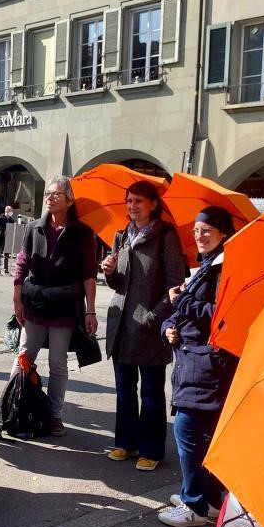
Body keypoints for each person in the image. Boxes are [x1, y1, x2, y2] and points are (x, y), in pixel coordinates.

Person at [158, 205, 238, 527]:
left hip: (208, 363)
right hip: (191, 359)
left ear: (223, 234)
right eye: (196, 230)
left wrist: (183, 302)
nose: (199, 236)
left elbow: (221, 315)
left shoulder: (224, 269)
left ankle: (195, 506)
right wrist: (168, 327)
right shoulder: (205, 266)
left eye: (206, 230)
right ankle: (205, 497)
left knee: (188, 429)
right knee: (200, 432)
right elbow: (182, 313)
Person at [102, 181, 184, 471]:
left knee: (150, 392)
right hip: (121, 325)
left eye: (138, 201)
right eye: (129, 201)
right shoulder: (122, 236)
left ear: (152, 204)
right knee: (124, 389)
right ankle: (126, 442)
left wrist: (153, 317)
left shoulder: (165, 237)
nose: (132, 206)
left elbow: (175, 284)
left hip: (149, 328)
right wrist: (110, 273)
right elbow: (119, 283)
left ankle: (151, 449)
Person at [12, 176, 97, 438]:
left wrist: (90, 310)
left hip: (64, 306)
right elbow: (21, 262)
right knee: (24, 356)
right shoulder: (34, 227)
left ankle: (54, 416)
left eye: (56, 194)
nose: (49, 198)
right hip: (35, 302)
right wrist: (17, 298)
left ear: (70, 201)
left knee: (57, 363)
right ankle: (11, 407)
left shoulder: (82, 233)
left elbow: (88, 274)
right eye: (48, 193)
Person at [0, 205, 14, 276]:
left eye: (11, 211)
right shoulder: (0, 219)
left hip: (8, 239)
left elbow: (13, 228)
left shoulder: (11, 220)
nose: (11, 212)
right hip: (0, 239)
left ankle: (6, 271)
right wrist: (2, 231)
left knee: (6, 255)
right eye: (10, 211)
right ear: (6, 211)